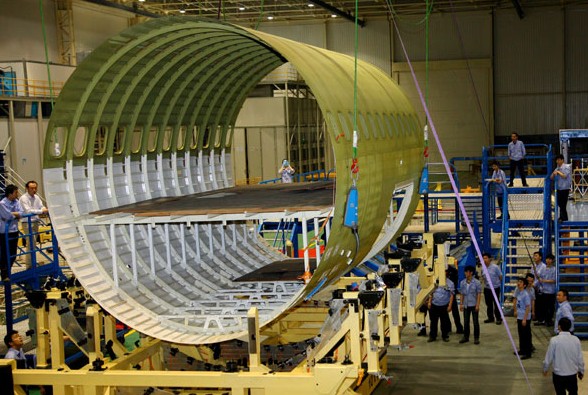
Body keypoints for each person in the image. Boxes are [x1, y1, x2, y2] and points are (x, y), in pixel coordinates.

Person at [543, 317, 584, 395]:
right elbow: (579, 358)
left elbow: (548, 357)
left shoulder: (554, 340)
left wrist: (545, 368)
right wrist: (581, 371)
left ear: (559, 326)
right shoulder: (576, 340)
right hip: (571, 374)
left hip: (559, 375)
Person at [19, 180, 49, 269]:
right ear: (27, 188)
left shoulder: (36, 197)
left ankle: (32, 262)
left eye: (35, 188)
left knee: (33, 243)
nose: (34, 190)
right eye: (32, 188)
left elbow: (41, 205)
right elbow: (28, 210)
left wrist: (44, 209)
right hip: (27, 222)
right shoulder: (23, 198)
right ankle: (29, 265)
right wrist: (41, 211)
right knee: (30, 243)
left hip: (35, 222)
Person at [0, 184, 23, 281]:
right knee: (4, 253)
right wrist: (15, 215)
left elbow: (22, 212)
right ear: (10, 193)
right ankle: (4, 274)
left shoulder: (16, 201)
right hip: (4, 232)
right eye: (16, 192)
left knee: (13, 254)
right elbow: (6, 216)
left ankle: (8, 270)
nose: (17, 194)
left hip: (14, 230)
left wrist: (14, 214)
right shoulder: (2, 203)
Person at [427, 273, 455, 343]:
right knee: (433, 322)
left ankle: (445, 336)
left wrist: (450, 305)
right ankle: (433, 336)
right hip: (434, 305)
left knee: (444, 322)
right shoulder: (435, 281)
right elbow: (431, 292)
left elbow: (452, 295)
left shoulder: (450, 283)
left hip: (444, 305)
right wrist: (429, 302)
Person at [459, 265, 482, 344]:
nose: (466, 273)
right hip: (466, 305)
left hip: (474, 304)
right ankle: (466, 337)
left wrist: (478, 305)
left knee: (475, 322)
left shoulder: (477, 283)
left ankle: (476, 338)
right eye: (465, 272)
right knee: (466, 322)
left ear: (471, 273)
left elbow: (478, 294)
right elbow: (462, 294)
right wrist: (461, 304)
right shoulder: (462, 283)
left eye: (467, 272)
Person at [513, 277, 532, 359]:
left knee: (526, 335)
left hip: (525, 318)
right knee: (521, 334)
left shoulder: (525, 294)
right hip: (520, 316)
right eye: (518, 281)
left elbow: (528, 307)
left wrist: (524, 319)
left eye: (520, 282)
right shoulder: (519, 293)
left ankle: (528, 352)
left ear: (524, 285)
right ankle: (522, 349)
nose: (518, 283)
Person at [482, 252, 503, 325]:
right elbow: (483, 278)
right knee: (488, 304)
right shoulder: (483, 268)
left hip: (495, 288)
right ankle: (490, 317)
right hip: (487, 288)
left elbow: (500, 277)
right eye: (483, 258)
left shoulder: (495, 267)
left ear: (490, 259)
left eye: (486, 258)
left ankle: (498, 318)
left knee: (496, 304)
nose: (484, 260)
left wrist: (496, 284)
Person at [537, 254, 557, 326]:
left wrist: (544, 281)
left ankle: (549, 320)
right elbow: (539, 276)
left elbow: (554, 280)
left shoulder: (554, 269)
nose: (548, 261)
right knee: (544, 307)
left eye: (550, 259)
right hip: (544, 291)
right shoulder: (543, 268)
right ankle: (544, 320)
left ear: (552, 260)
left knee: (550, 307)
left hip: (551, 291)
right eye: (547, 259)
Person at [550, 154, 572, 222]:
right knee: (560, 204)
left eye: (559, 160)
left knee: (563, 204)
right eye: (556, 160)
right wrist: (553, 174)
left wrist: (558, 172)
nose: (557, 161)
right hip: (559, 189)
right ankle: (563, 218)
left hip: (565, 189)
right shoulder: (557, 168)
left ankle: (563, 218)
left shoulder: (567, 167)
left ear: (562, 160)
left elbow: (564, 176)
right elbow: (551, 178)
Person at [446, 264, 464, 334]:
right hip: (444, 295)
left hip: (452, 293)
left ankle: (459, 328)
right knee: (445, 313)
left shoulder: (452, 271)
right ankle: (448, 328)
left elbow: (456, 275)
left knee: (455, 312)